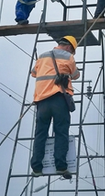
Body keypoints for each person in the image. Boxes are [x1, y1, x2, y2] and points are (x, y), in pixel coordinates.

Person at [31, 36, 80, 178]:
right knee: (61, 132)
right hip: (59, 99)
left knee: (40, 134)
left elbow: (34, 73)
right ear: (70, 47)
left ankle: (37, 168)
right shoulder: (68, 57)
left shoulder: (42, 56)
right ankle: (61, 166)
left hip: (42, 101)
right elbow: (76, 75)